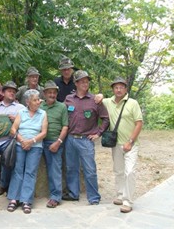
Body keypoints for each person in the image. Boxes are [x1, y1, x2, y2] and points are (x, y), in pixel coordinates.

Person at [63, 70, 109, 205]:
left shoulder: (95, 100)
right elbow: (62, 116)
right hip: (70, 139)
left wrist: (98, 133)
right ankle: (73, 194)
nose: (85, 83)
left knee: (90, 170)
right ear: (76, 83)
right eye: (82, 81)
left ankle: (94, 198)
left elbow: (105, 119)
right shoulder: (68, 99)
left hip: (86, 140)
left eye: (87, 81)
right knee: (71, 168)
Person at [102, 77, 143, 213]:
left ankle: (128, 201)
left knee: (129, 171)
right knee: (118, 171)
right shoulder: (108, 102)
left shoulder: (133, 103)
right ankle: (120, 195)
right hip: (116, 144)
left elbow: (139, 123)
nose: (118, 89)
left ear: (126, 89)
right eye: (116, 87)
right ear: (113, 89)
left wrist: (130, 141)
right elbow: (97, 99)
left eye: (121, 87)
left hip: (131, 144)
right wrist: (99, 96)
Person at [7, 89, 48, 214]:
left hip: (35, 146)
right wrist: (23, 140)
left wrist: (31, 141)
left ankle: (26, 201)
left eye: (38, 99)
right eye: (35, 100)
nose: (38, 102)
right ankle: (14, 199)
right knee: (18, 170)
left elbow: (44, 132)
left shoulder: (43, 113)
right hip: (20, 144)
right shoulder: (21, 112)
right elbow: (13, 129)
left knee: (30, 172)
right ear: (28, 102)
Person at [0, 81, 25, 196]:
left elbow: (27, 123)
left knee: (7, 161)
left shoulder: (20, 108)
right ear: (3, 92)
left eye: (14, 91)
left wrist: (17, 119)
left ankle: (3, 185)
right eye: (9, 91)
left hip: (10, 141)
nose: (12, 93)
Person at [40, 80, 68, 208]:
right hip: (39, 141)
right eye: (49, 92)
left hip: (54, 141)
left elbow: (65, 127)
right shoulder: (39, 106)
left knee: (54, 169)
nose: (52, 94)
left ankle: (55, 197)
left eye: (54, 92)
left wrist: (58, 142)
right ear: (44, 94)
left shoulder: (62, 107)